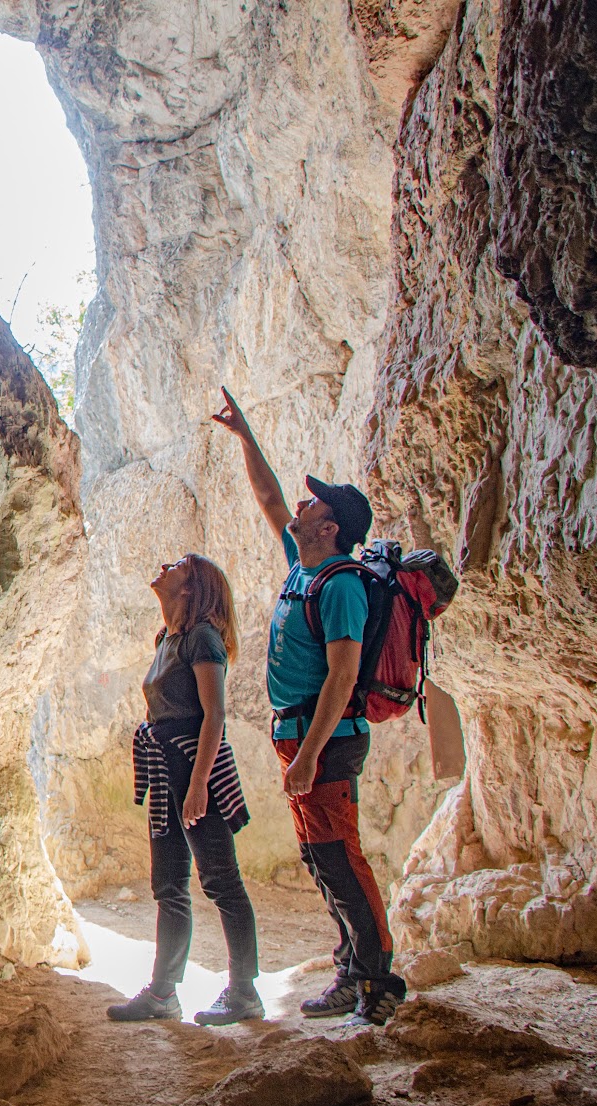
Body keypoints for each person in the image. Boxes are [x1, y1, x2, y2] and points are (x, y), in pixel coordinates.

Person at [211, 386, 407, 1026]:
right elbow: (270, 498)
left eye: (313, 501)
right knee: (320, 856)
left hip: (325, 739)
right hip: (299, 738)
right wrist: (246, 437)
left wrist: (311, 755)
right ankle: (352, 970)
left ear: (331, 527)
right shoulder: (306, 563)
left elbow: (344, 676)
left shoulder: (341, 581)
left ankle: (376, 984)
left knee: (339, 855)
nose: (300, 501)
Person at [107, 553, 262, 1026]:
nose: (163, 566)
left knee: (221, 881)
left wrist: (198, 787)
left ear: (191, 587)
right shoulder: (168, 639)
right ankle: (162, 993)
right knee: (169, 884)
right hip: (166, 766)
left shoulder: (202, 638)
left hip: (196, 766)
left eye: (177, 565)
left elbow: (214, 715)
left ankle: (244, 992)